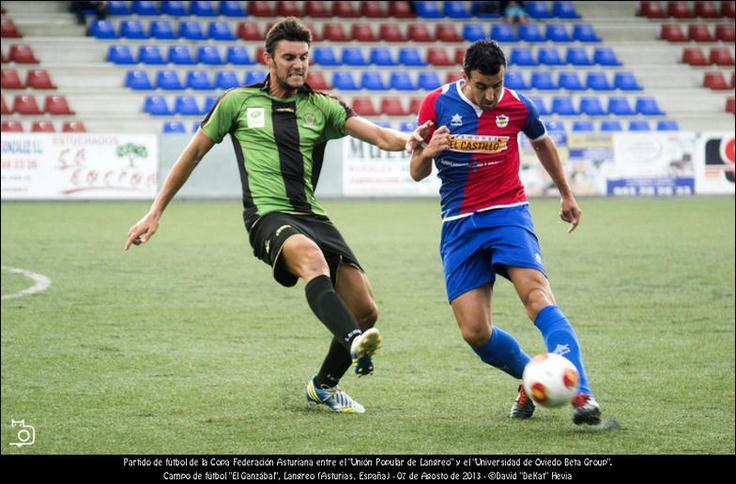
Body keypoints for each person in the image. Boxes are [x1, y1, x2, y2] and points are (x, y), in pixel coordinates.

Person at [125, 17, 427, 414]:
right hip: (266, 216)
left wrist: (413, 139)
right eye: (289, 57)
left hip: (312, 216)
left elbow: (382, 136)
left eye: (304, 57)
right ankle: (354, 340)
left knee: (367, 308)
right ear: (267, 58)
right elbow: (193, 153)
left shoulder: (324, 107)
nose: (299, 65)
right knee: (314, 264)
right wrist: (155, 211)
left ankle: (323, 387)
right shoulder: (237, 102)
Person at [409, 40, 602, 425]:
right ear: (465, 78)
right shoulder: (436, 104)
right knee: (475, 332)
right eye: (482, 86)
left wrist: (566, 193)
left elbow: (542, 143)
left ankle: (582, 394)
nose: (492, 94)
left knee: (537, 297)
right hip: (458, 224)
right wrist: (427, 152)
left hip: (507, 213)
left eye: (497, 84)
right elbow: (416, 171)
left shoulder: (517, 105)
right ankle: (534, 377)